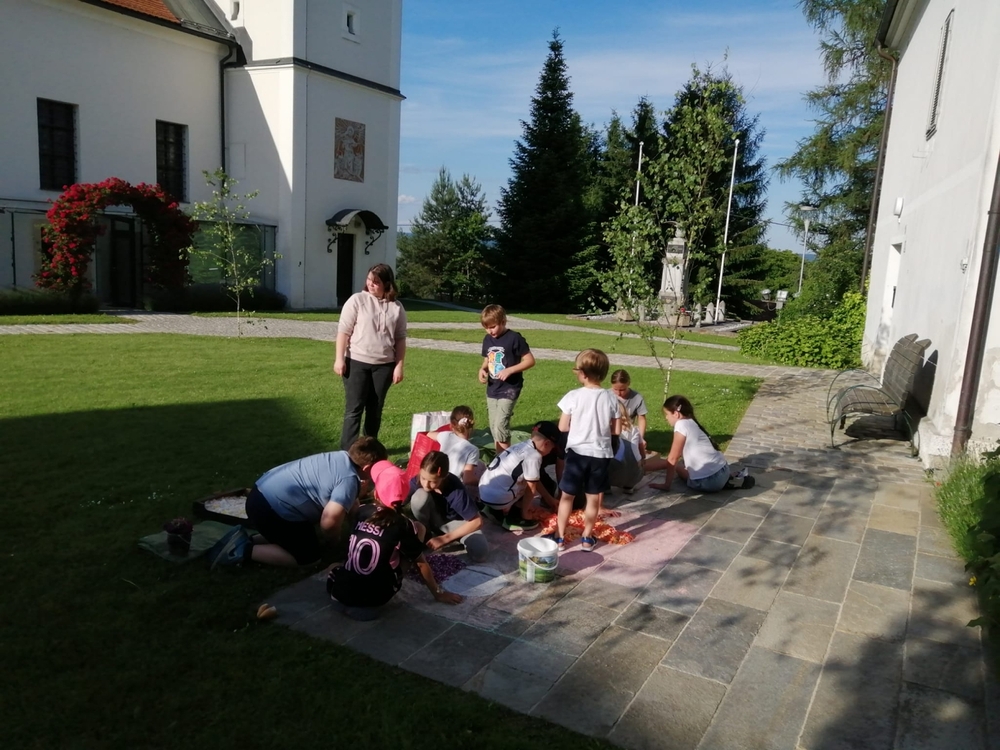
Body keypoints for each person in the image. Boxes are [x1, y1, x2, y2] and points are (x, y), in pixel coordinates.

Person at [207, 437, 387, 569]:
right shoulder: (349, 479)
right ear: (367, 468)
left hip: (260, 494)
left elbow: (349, 501)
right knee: (309, 558)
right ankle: (242, 549)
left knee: (296, 536)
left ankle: (248, 538)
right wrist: (335, 542)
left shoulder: (340, 457)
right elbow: (329, 522)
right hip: (271, 510)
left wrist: (356, 521)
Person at [327, 460, 462, 621]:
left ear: (376, 493)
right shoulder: (403, 525)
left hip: (338, 596)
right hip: (373, 602)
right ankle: (394, 570)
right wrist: (438, 594)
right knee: (416, 536)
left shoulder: (362, 511)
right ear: (405, 496)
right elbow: (421, 564)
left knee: (334, 566)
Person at [548, 349, 620, 552]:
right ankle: (587, 538)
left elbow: (563, 427)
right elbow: (616, 430)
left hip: (577, 454)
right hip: (600, 455)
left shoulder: (573, 396)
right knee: (593, 497)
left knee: (567, 496)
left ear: (583, 374)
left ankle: (559, 537)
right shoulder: (611, 397)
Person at [335, 263, 407, 451]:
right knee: (354, 409)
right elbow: (343, 332)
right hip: (356, 362)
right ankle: (347, 452)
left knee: (375, 411)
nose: (371, 284)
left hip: (384, 366)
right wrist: (339, 359)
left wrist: (399, 366)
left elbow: (400, 339)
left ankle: (368, 451)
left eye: (376, 282)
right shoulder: (357, 300)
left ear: (387, 284)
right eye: (369, 280)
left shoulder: (397, 307)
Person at [649, 395, 754, 493]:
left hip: (709, 481)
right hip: (724, 470)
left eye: (667, 414)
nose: (666, 418)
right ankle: (730, 479)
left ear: (676, 414)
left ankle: (720, 483)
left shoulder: (680, 425)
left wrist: (666, 485)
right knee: (685, 464)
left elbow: (672, 459)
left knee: (678, 467)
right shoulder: (691, 421)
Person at [408, 451, 489, 562]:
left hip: (451, 522)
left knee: (480, 551)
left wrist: (446, 538)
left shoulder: (455, 489)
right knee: (420, 497)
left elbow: (477, 521)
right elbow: (398, 502)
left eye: (432, 481)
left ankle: (443, 534)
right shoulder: (418, 479)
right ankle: (426, 533)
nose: (426, 484)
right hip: (428, 519)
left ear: (444, 477)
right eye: (423, 478)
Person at [479, 421, 560, 529]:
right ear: (546, 444)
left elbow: (535, 480)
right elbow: (532, 487)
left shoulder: (521, 445)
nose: (550, 451)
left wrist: (549, 499)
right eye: (552, 448)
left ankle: (492, 510)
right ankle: (514, 518)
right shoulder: (534, 456)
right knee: (525, 484)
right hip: (498, 499)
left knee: (528, 478)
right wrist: (525, 512)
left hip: (484, 493)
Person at [478, 304, 535, 453]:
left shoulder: (515, 338)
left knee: (500, 427)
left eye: (493, 327)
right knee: (494, 427)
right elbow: (487, 359)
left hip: (510, 388)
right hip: (492, 388)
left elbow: (530, 361)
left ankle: (504, 460)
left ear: (503, 321)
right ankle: (500, 457)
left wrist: (510, 370)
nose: (490, 331)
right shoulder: (487, 339)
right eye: (486, 328)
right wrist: (482, 369)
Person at [428, 405, 486, 499]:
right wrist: (484, 481)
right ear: (471, 427)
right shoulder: (472, 450)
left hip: (438, 483)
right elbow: (468, 479)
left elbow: (428, 434)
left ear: (451, 425)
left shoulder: (445, 436)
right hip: (454, 489)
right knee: (481, 467)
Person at [610, 369, 649, 457]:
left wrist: (641, 438)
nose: (618, 393)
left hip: (627, 431)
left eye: (622, 390)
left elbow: (641, 419)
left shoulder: (637, 398)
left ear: (628, 383)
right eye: (615, 389)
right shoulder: (607, 395)